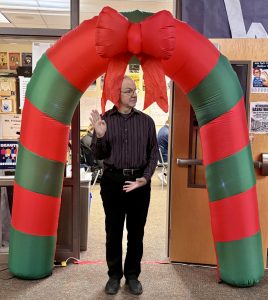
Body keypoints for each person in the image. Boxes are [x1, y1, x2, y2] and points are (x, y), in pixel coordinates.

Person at [90, 75, 159, 295]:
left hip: (139, 182)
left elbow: (153, 154)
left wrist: (146, 178)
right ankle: (113, 276)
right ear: (116, 94)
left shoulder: (146, 121)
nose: (134, 94)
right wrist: (99, 136)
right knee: (113, 231)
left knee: (136, 232)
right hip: (113, 182)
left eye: (135, 90)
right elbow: (97, 155)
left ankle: (132, 276)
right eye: (128, 91)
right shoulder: (105, 120)